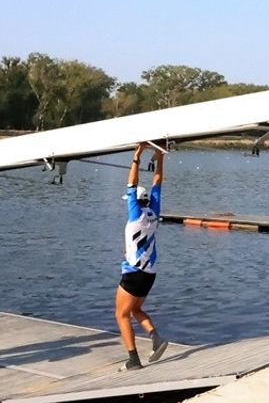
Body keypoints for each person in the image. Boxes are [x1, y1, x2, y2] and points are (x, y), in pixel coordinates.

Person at [116, 142, 168, 371]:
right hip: (150, 273)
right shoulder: (153, 211)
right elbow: (157, 181)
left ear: (135, 201)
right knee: (135, 309)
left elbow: (132, 184)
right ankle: (155, 337)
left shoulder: (135, 213)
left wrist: (137, 156)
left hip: (134, 273)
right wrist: (160, 156)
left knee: (121, 314)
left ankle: (133, 359)